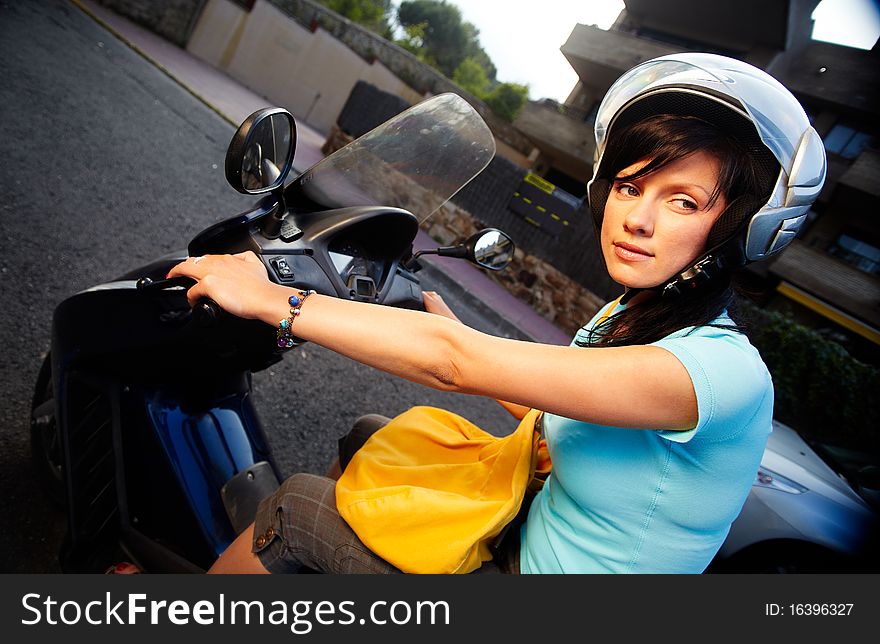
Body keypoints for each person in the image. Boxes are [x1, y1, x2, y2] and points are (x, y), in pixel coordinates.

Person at [167, 53, 825, 574]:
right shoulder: (635, 316)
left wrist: (270, 301)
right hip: (524, 540)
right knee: (375, 434)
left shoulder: (716, 372)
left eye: (683, 201)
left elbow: (458, 366)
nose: (639, 218)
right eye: (629, 186)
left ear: (740, 225)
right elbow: (550, 408)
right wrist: (452, 327)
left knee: (299, 509)